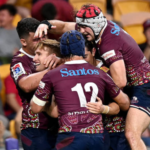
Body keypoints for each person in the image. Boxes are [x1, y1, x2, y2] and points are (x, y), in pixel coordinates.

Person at [34, 4, 150, 150]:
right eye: (79, 27)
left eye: (84, 28)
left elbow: (120, 82)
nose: (81, 32)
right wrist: (46, 24)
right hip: (131, 87)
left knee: (132, 135)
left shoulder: (109, 43)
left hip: (143, 87)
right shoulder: (95, 26)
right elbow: (63, 26)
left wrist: (90, 83)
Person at [31, 30, 130, 150]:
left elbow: (36, 108)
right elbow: (124, 103)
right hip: (97, 138)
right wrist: (104, 109)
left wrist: (52, 102)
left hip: (70, 137)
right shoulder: (100, 73)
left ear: (62, 50)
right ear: (81, 48)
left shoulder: (52, 75)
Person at [10, 18, 56, 150]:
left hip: (59, 124)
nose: (42, 40)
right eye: (36, 39)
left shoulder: (53, 52)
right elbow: (25, 84)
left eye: (43, 36)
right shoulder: (18, 61)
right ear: (23, 42)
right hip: (35, 128)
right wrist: (54, 69)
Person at [84, 41, 130, 150]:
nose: (81, 60)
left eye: (84, 56)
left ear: (93, 51)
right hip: (88, 133)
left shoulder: (109, 72)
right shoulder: (73, 71)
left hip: (115, 130)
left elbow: (120, 104)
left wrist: (103, 109)